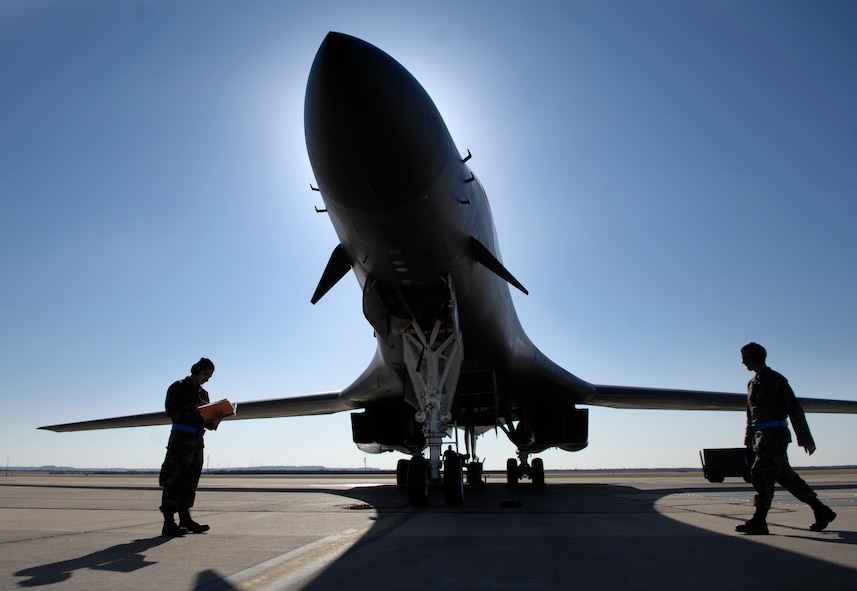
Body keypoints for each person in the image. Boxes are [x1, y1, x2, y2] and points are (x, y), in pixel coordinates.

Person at [735, 343, 836, 535]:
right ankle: (822, 510)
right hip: (760, 437)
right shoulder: (751, 384)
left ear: (758, 358)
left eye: (746, 358)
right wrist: (748, 440)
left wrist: (805, 438)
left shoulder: (776, 381)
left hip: (775, 436)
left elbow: (794, 409)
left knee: (761, 474)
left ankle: (759, 520)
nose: (743, 362)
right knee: (786, 478)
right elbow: (750, 416)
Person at [159, 357, 222, 537]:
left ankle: (185, 517)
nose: (207, 378)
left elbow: (207, 423)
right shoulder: (178, 387)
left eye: (210, 376)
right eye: (205, 374)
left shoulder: (204, 394)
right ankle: (169, 522)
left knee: (191, 479)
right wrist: (195, 411)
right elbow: (171, 411)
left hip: (196, 441)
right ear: (196, 370)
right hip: (180, 440)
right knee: (174, 479)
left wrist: (214, 421)